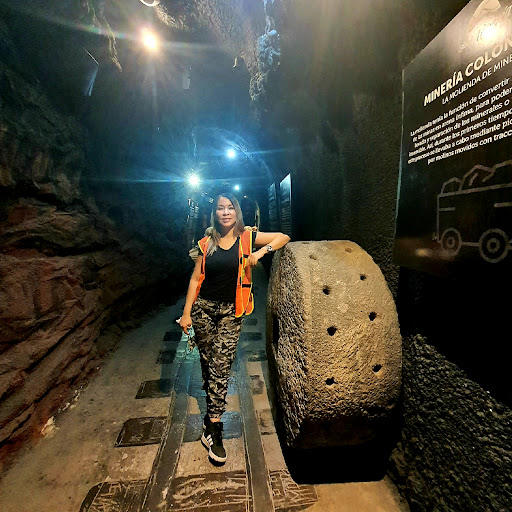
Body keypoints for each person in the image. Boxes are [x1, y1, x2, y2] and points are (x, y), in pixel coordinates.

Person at [179, 193, 290, 464]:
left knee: (221, 365)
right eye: (221, 208)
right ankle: (210, 418)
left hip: (233, 311)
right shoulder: (205, 243)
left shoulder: (247, 237)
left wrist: (262, 252)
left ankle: (215, 428)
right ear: (215, 213)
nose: (226, 212)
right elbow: (195, 280)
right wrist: (185, 314)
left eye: (230, 208)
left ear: (237, 212)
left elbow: (283, 237)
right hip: (203, 310)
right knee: (208, 363)